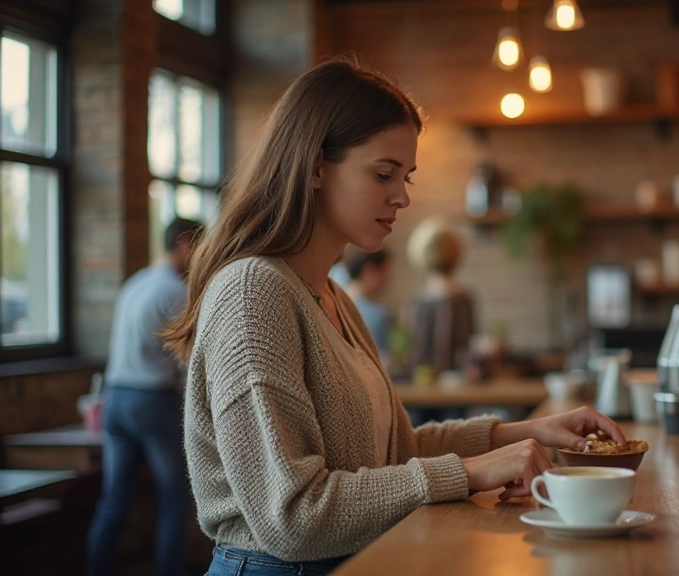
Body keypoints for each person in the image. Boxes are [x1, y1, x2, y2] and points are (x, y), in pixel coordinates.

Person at [162, 58, 625, 574]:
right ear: (315, 165)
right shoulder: (252, 292)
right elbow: (291, 516)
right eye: (383, 173)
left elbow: (394, 455)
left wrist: (526, 432)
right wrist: (472, 472)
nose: (402, 196)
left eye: (406, 176)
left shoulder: (330, 296)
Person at [87, 217, 203, 576]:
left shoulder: (135, 283)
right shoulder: (175, 292)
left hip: (116, 400)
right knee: (173, 501)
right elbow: (188, 361)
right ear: (184, 243)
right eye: (200, 248)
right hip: (152, 402)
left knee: (114, 503)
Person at [406, 218, 476, 376]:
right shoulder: (465, 299)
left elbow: (412, 352)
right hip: (459, 386)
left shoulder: (417, 303)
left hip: (423, 386)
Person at [341, 247, 393, 364]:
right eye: (385, 272)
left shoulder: (332, 302)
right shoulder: (379, 316)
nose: (388, 281)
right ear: (369, 271)